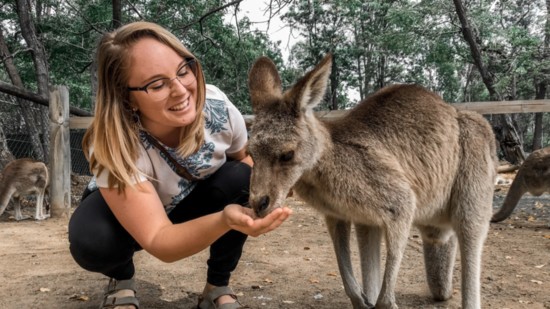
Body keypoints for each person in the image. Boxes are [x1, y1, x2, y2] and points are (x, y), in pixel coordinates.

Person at [68, 21, 292, 309]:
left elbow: (243, 160)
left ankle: (216, 287)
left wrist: (248, 207)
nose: (181, 90)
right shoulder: (112, 141)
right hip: (132, 215)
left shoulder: (217, 105)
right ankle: (121, 279)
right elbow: (158, 239)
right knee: (92, 240)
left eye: (183, 70)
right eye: (157, 84)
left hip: (189, 203)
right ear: (128, 98)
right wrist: (225, 219)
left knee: (243, 179)